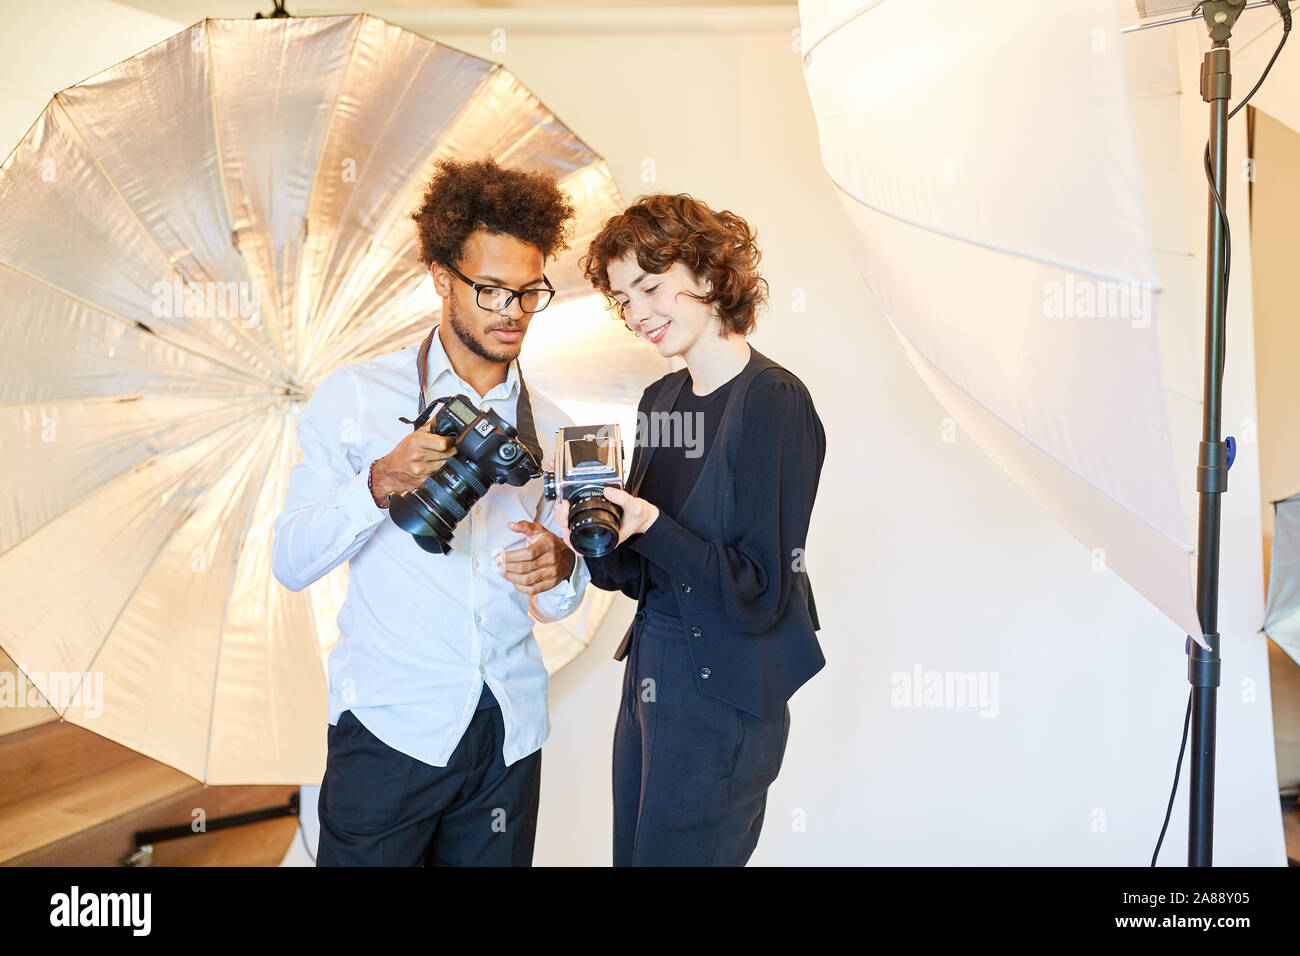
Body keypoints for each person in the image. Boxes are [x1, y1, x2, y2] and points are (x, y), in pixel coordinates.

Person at [272, 157, 591, 866]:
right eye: (489, 289)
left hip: (508, 736)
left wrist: (561, 567)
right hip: (389, 733)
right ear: (442, 278)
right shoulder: (355, 397)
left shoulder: (557, 430)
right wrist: (380, 482)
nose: (512, 312)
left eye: (528, 292)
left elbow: (567, 603)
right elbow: (289, 561)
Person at [555, 193, 827, 866]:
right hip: (652, 674)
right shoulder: (661, 399)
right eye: (623, 299)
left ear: (707, 275)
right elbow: (633, 576)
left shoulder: (772, 401)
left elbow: (760, 590)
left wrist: (647, 519)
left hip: (725, 691)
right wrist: (591, 530)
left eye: (649, 286)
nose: (638, 312)